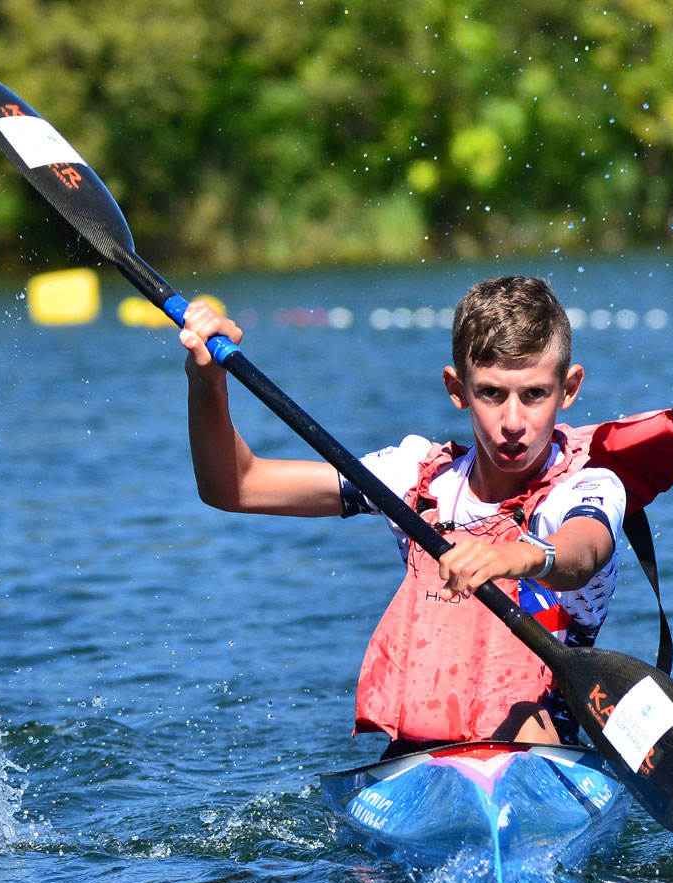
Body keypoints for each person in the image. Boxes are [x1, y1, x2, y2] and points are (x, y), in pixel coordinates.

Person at [180, 275, 630, 759]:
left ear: (570, 388)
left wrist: (511, 557)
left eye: (535, 394)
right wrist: (207, 383)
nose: (515, 422)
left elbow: (581, 552)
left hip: (540, 766)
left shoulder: (587, 488)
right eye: (492, 394)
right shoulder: (414, 479)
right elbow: (236, 486)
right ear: (457, 390)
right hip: (419, 766)